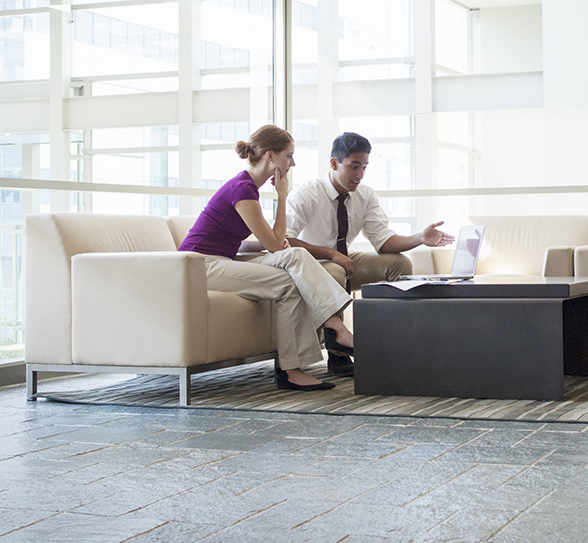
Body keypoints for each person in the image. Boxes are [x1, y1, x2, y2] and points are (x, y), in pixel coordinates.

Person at [178, 125, 354, 390]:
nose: (292, 163)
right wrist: (282, 196)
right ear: (270, 156)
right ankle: (311, 351)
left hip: (223, 258)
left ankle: (327, 336)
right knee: (288, 282)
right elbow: (273, 244)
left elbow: (238, 240)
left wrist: (262, 244)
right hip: (199, 266)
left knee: (295, 255)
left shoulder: (247, 187)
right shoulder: (243, 189)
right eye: (289, 156)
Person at [286, 131, 455, 289]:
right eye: (354, 167)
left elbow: (383, 240)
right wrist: (330, 254)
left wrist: (419, 237)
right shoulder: (306, 194)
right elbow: (285, 240)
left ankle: (394, 321)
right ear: (334, 163)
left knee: (400, 263)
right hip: (313, 261)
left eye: (364, 167)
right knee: (336, 271)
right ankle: (336, 322)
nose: (360, 175)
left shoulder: (364, 194)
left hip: (344, 259)